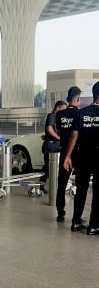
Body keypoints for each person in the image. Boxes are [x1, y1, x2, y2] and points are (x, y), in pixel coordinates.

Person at [64, 81, 99, 235]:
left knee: (81, 189)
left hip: (82, 155)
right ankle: (94, 225)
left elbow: (74, 135)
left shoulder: (82, 112)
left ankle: (76, 222)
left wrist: (68, 156)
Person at [55, 87, 81, 222]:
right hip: (77, 152)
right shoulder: (79, 113)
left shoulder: (60, 115)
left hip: (64, 150)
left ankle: (60, 212)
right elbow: (76, 134)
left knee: (62, 182)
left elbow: (59, 130)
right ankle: (77, 216)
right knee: (80, 183)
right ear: (77, 99)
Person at [39, 100, 67, 193]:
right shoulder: (52, 115)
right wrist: (59, 138)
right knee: (48, 167)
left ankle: (42, 185)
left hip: (52, 144)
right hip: (51, 146)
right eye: (63, 109)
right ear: (58, 108)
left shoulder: (57, 117)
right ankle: (42, 186)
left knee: (48, 167)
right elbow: (49, 128)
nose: (64, 112)